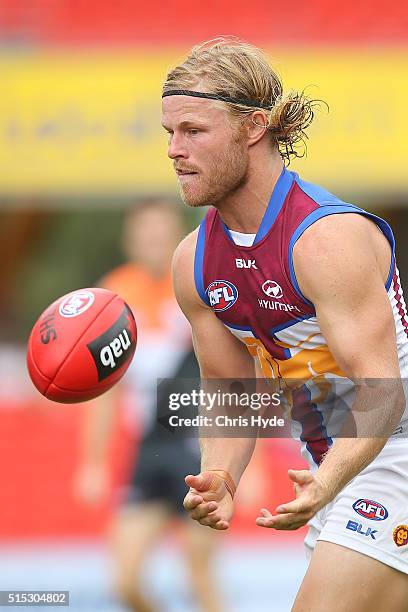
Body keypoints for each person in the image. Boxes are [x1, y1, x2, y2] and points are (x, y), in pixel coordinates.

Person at [161, 38, 408, 611]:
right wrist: (220, 477)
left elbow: (384, 391)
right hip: (338, 470)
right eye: (169, 133)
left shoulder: (326, 240)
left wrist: (330, 480)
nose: (174, 149)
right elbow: (231, 391)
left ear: (253, 127)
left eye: (193, 131)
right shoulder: (193, 261)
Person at [75, 199, 223, 612]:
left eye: (162, 231)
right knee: (125, 581)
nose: (154, 240)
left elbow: (231, 374)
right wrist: (93, 462)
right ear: (130, 239)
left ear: (176, 235)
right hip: (149, 450)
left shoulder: (198, 286)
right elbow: (104, 388)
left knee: (199, 572)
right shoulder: (111, 298)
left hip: (199, 449)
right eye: (146, 232)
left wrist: (251, 460)